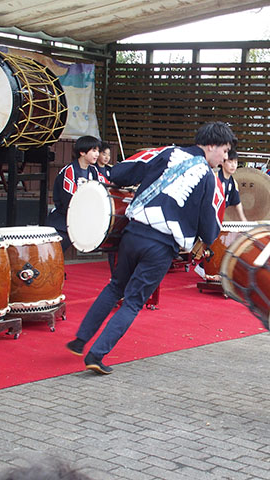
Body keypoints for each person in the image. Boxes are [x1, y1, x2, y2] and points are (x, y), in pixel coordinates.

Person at [66, 121, 235, 374]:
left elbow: (122, 173)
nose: (224, 157)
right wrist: (204, 240)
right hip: (161, 246)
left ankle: (80, 340)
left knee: (115, 287)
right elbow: (209, 225)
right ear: (211, 145)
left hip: (133, 233)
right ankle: (96, 355)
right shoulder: (210, 180)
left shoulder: (167, 152)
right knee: (133, 301)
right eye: (224, 150)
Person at [195, 148, 247, 279]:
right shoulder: (214, 178)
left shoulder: (233, 183)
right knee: (209, 239)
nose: (233, 165)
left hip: (217, 216)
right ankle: (203, 266)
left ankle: (206, 266)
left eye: (235, 162)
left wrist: (244, 221)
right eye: (230, 162)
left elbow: (237, 203)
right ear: (222, 163)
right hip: (205, 213)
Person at [46, 135, 101, 251]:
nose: (97, 154)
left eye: (98, 151)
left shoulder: (94, 171)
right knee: (55, 252)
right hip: (62, 220)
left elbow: (103, 189)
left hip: (79, 219)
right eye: (94, 150)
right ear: (82, 152)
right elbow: (68, 198)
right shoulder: (70, 170)